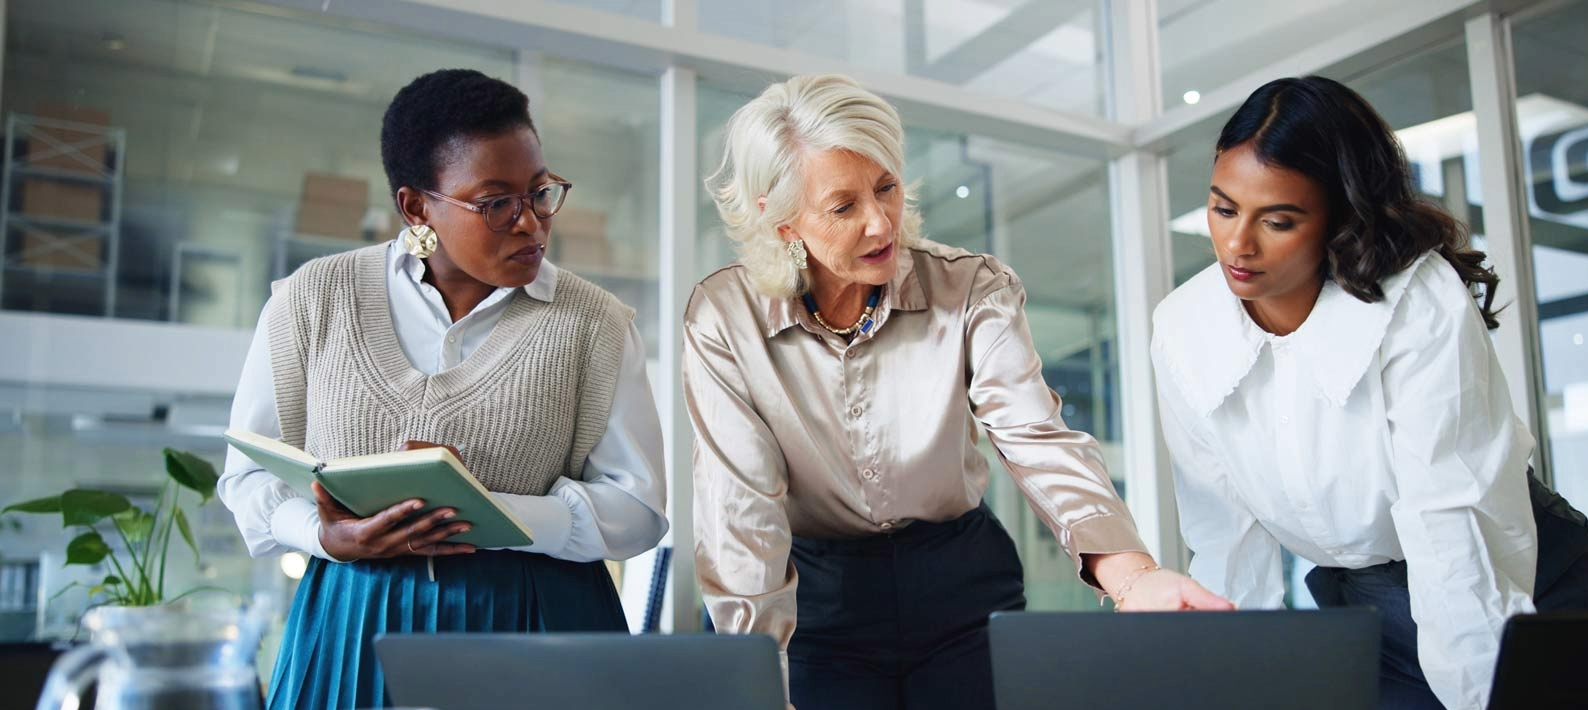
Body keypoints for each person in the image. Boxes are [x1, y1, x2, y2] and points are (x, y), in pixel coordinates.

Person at [686, 73, 1232, 710]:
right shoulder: (726, 318)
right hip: (818, 604)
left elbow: (1037, 439)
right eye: (843, 207)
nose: (878, 222)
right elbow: (740, 508)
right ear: (779, 221)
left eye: (886, 187)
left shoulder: (971, 288)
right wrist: (757, 683)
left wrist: (1131, 577)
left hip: (960, 590)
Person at [217, 69, 668, 708]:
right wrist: (325, 537)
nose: (531, 223)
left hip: (538, 620)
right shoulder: (312, 299)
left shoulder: (595, 322)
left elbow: (639, 510)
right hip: (354, 623)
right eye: (495, 202)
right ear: (416, 206)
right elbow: (246, 477)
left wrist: (489, 512)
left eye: (540, 192)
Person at [1151, 75, 1588, 709]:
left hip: (1520, 585)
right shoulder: (1183, 326)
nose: (1237, 245)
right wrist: (1229, 679)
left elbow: (1453, 524)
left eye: (1278, 220)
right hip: (1363, 610)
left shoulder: (1417, 299)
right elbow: (1223, 532)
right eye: (1223, 209)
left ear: (1340, 217)